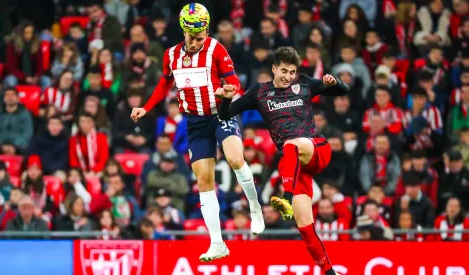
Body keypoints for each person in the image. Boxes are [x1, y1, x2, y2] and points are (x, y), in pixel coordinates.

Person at [130, 3, 264, 262]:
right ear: (184, 31)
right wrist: (146, 108)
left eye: (201, 36)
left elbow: (233, 81)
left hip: (220, 113)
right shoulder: (170, 55)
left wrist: (229, 91)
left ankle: (255, 208)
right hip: (195, 122)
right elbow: (164, 83)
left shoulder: (216, 48)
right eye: (193, 37)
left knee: (236, 159)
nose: (197, 42)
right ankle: (217, 243)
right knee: (204, 182)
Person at [218, 46, 347, 275]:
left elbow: (343, 91)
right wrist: (227, 100)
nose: (288, 76)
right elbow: (226, 114)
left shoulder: (305, 84)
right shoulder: (259, 92)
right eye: (284, 71)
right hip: (296, 167)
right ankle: (329, 272)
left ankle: (286, 198)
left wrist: (334, 82)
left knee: (291, 144)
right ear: (274, 68)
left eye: (292, 72)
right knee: (305, 226)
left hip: (316, 149)